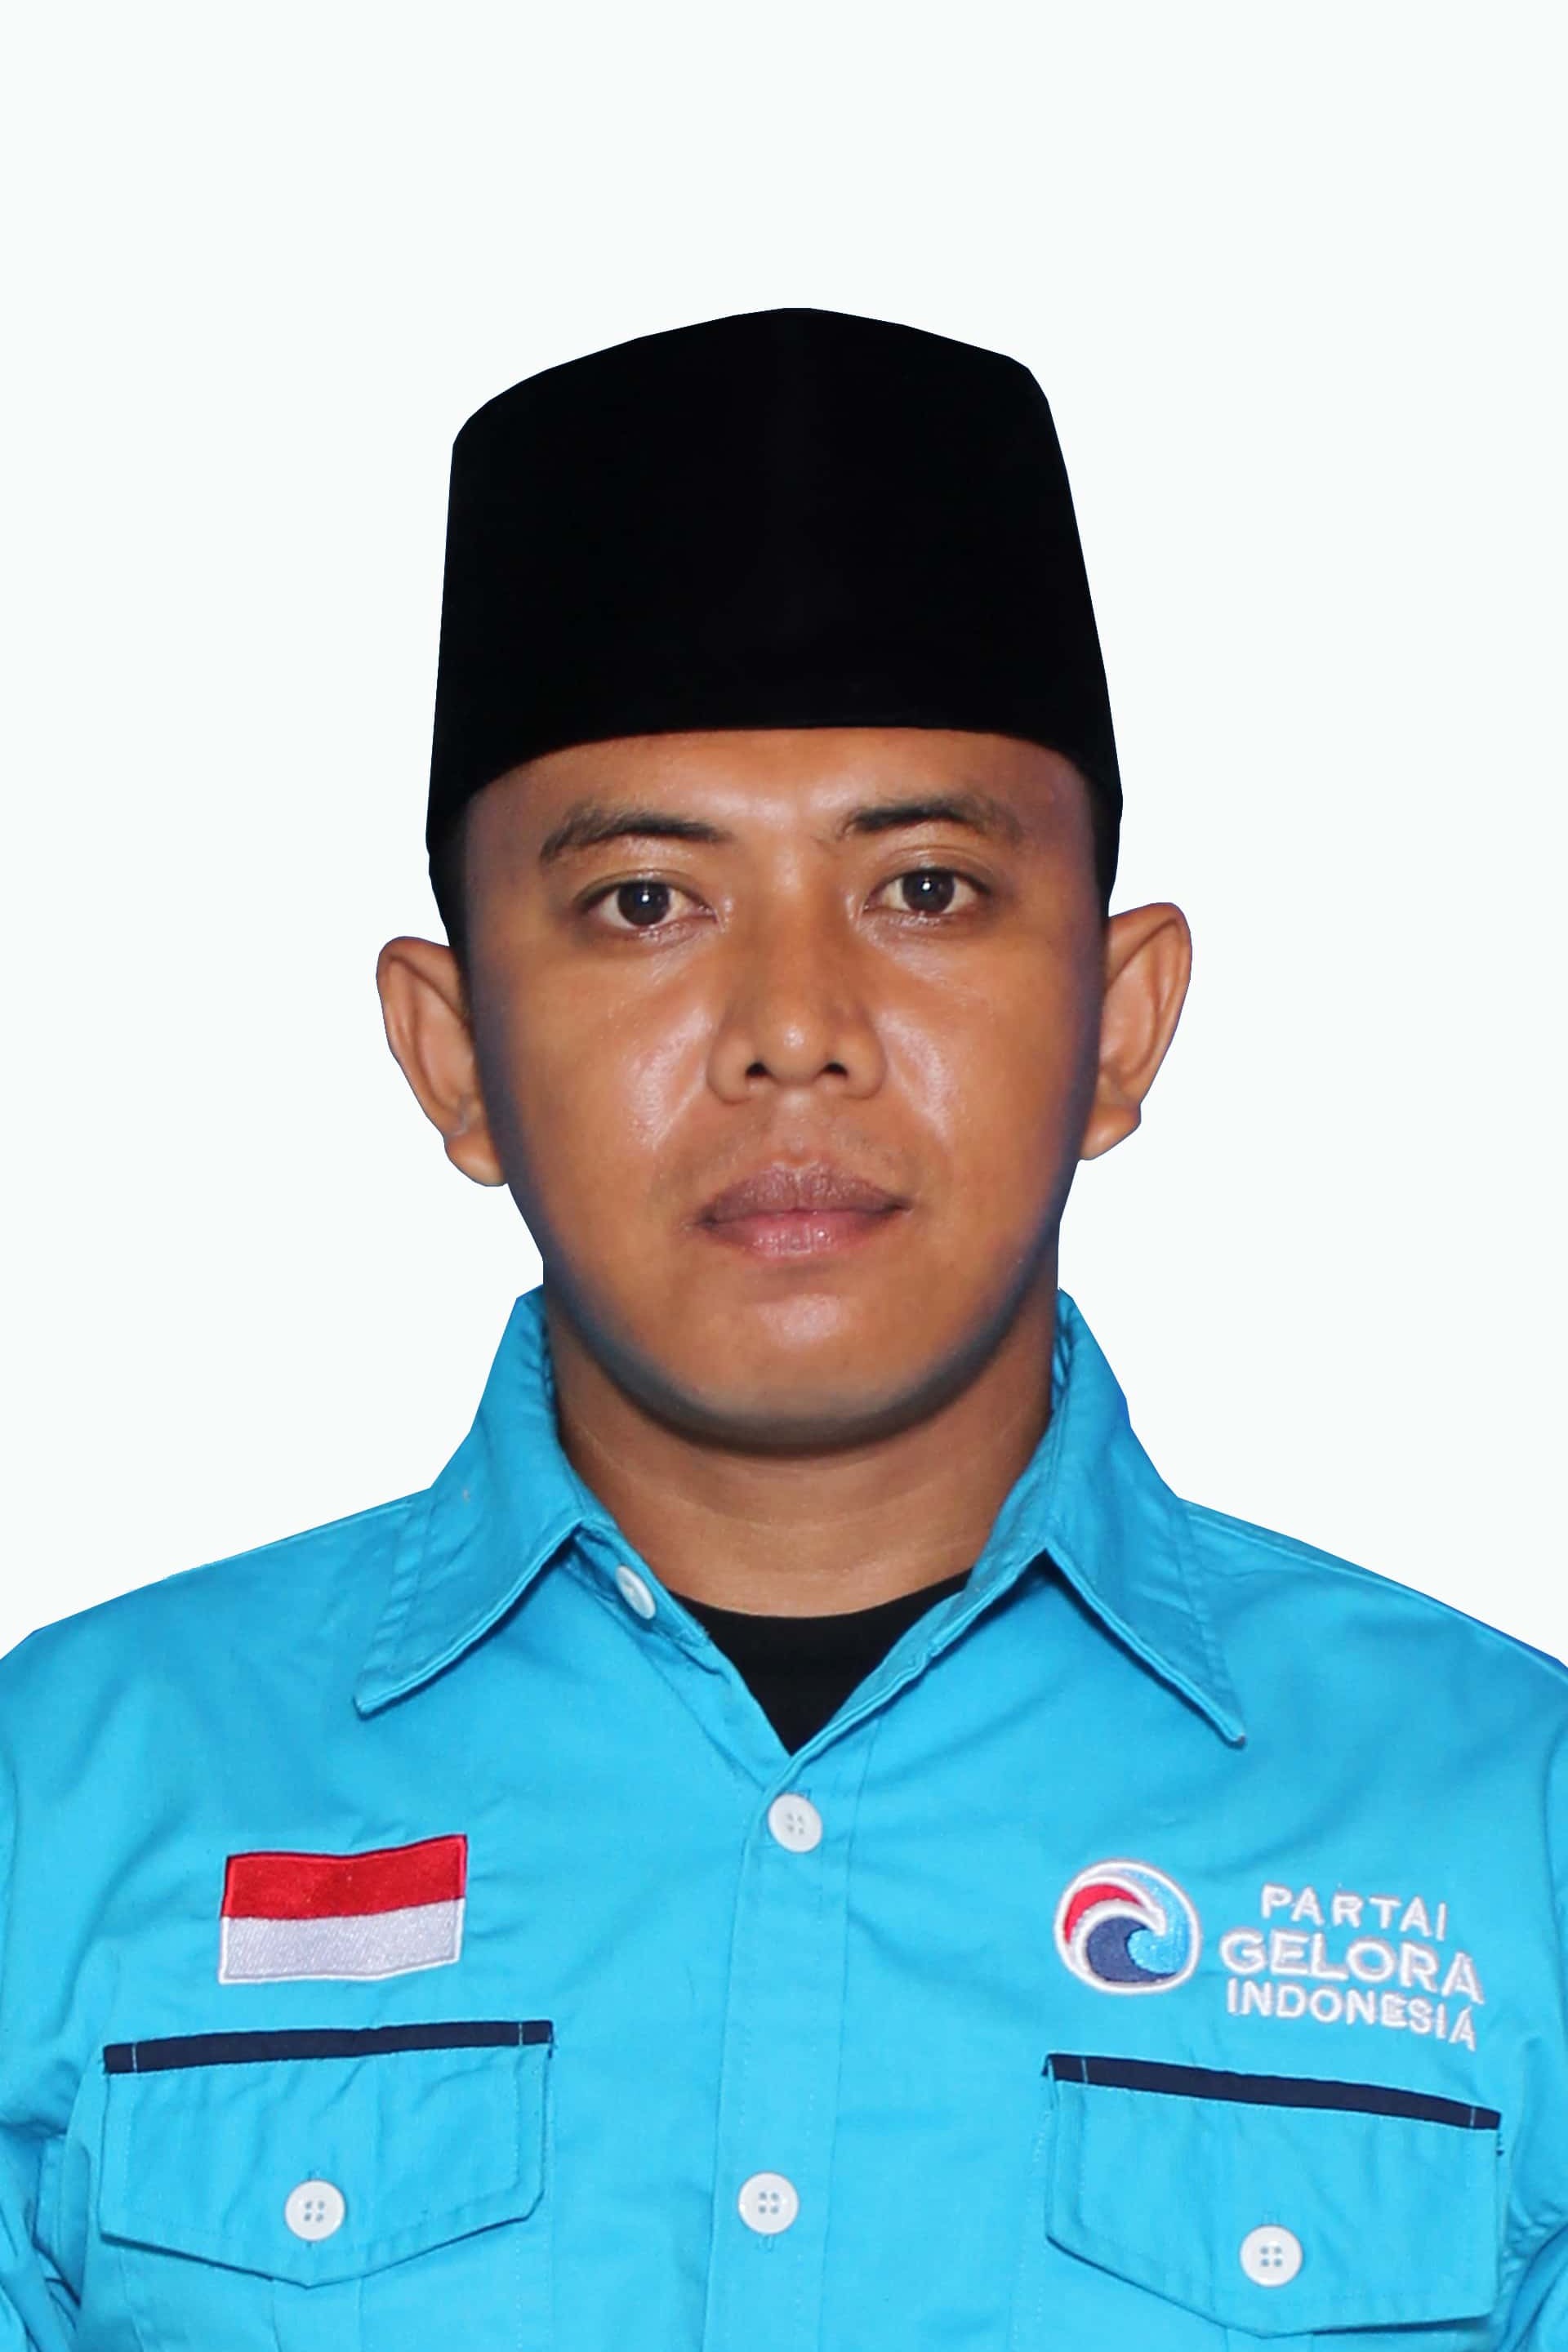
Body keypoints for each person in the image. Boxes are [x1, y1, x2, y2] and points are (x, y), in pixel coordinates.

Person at [1, 305, 1563, 2351]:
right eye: (647, 902)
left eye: (926, 889)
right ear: (454, 1054)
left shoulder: (1509, 1832)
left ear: (1122, 1022)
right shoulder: (65, 1813)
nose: (797, 1031)